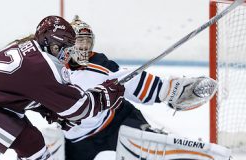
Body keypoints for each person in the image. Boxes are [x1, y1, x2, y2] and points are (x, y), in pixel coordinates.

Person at [34, 16, 228, 160]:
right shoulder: (47, 74)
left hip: (117, 122)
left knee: (147, 145)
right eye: (78, 41)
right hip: (77, 139)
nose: (83, 47)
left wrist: (172, 90)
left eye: (87, 41)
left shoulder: (100, 65)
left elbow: (133, 82)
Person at [0, 15, 125, 160]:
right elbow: (78, 108)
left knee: (31, 142)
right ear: (54, 45)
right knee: (32, 145)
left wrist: (47, 108)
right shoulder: (43, 66)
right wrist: (104, 96)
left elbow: (19, 87)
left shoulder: (30, 48)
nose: (67, 55)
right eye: (66, 49)